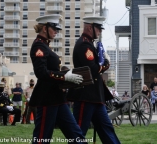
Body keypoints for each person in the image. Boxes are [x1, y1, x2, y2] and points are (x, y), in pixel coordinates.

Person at [29, 14, 86, 144]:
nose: (56, 32)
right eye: (54, 28)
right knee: (42, 139)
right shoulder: (39, 46)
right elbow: (41, 73)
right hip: (47, 98)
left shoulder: (45, 46)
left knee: (76, 135)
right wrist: (64, 76)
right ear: (44, 28)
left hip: (58, 98)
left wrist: (66, 76)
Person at [67, 16, 120, 144]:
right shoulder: (84, 45)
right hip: (86, 96)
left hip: (95, 97)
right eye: (98, 28)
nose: (100, 31)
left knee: (107, 130)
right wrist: (106, 63)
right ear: (90, 27)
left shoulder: (89, 44)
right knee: (78, 132)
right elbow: (93, 69)